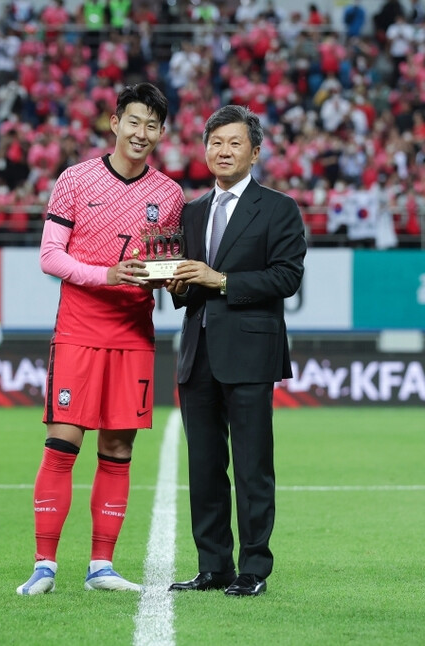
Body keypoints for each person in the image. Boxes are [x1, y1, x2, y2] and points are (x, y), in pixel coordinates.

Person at [16, 83, 184, 596]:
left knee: (117, 449)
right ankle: (44, 565)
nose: (141, 133)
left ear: (160, 133)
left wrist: (167, 277)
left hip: (133, 334)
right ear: (115, 123)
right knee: (61, 445)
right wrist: (105, 275)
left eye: (152, 125)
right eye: (133, 121)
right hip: (78, 331)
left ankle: (101, 566)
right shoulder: (75, 179)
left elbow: (163, 262)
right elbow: (50, 256)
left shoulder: (170, 196)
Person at [165, 105, 306, 597]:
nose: (223, 151)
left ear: (255, 152)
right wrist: (171, 282)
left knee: (251, 466)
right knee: (204, 467)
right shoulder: (192, 210)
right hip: (197, 351)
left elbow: (287, 277)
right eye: (215, 143)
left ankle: (254, 569)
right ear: (204, 149)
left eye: (234, 143)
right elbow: (185, 288)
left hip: (249, 353)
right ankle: (213, 566)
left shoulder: (279, 208)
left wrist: (221, 280)